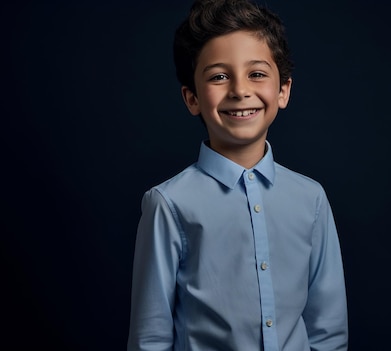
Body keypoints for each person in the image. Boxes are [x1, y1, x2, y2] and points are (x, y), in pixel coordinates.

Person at [127, 0, 348, 350]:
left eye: (257, 73)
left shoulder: (312, 199)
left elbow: (328, 328)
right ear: (192, 98)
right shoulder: (168, 204)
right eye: (218, 76)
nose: (240, 90)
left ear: (283, 90)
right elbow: (150, 337)